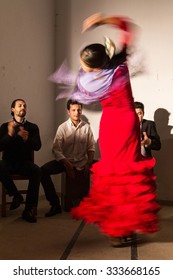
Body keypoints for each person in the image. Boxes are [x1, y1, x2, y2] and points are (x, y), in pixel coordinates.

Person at [49, 13, 160, 246]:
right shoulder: (120, 67)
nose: (83, 68)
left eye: (85, 65)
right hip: (127, 123)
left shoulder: (89, 81)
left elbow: (81, 85)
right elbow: (128, 28)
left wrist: (96, 26)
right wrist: (103, 21)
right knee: (126, 175)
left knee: (113, 176)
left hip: (110, 126)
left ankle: (118, 228)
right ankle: (122, 228)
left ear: (94, 66)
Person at [41, 99, 95, 217]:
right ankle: (55, 204)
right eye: (73, 110)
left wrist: (88, 163)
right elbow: (56, 149)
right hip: (66, 162)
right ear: (68, 111)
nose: (76, 113)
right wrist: (67, 164)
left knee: (105, 168)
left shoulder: (86, 127)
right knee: (43, 171)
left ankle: (98, 203)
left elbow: (91, 148)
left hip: (82, 161)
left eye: (79, 110)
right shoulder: (62, 127)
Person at [0, 99, 42, 223]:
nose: (22, 107)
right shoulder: (4, 126)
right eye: (19, 105)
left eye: (24, 105)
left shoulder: (32, 127)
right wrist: (9, 135)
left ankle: (28, 210)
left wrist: (27, 138)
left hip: (24, 163)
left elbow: (38, 146)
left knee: (37, 171)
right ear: (13, 109)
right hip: (8, 163)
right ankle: (16, 195)